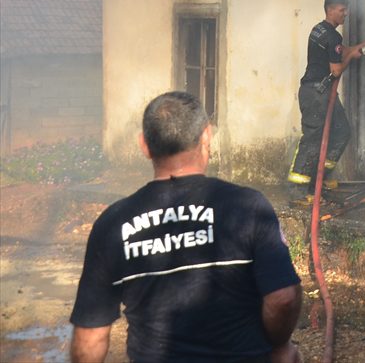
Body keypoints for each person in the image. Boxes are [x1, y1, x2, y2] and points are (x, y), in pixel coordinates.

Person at [69, 91, 302, 363]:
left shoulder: (113, 224)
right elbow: (283, 299)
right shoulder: (247, 206)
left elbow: (91, 337)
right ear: (206, 137)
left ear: (144, 145)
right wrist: (277, 345)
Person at [286, 0, 365, 199]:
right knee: (312, 139)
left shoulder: (319, 30)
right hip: (317, 92)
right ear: (330, 10)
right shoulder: (333, 35)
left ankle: (319, 178)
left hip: (319, 92)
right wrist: (352, 58)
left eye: (346, 10)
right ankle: (297, 191)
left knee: (342, 131)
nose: (346, 14)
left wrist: (363, 45)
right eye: (342, 10)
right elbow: (336, 70)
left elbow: (342, 51)